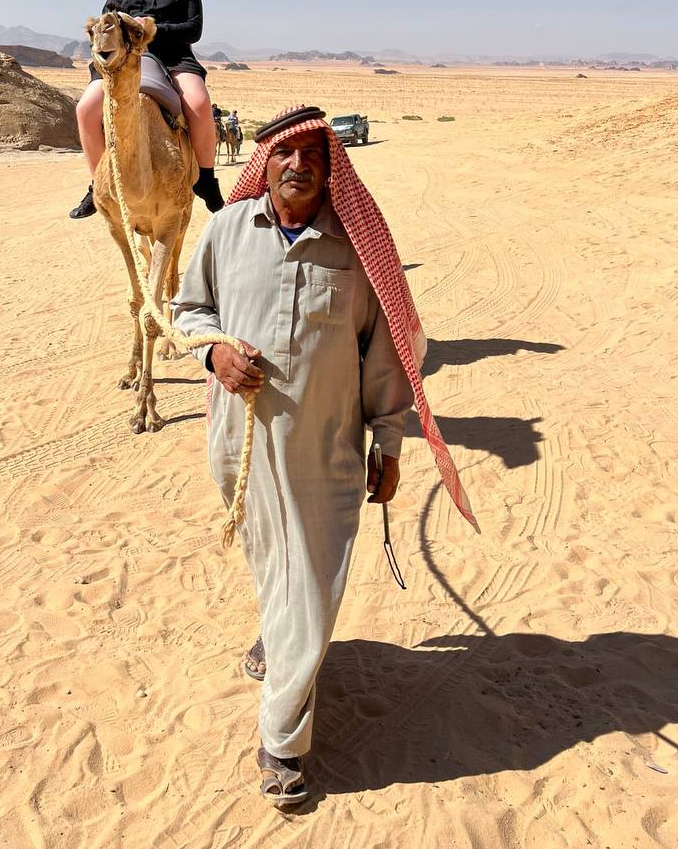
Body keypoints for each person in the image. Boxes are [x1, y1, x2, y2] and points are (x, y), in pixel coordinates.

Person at [172, 105, 477, 806]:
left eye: (314, 153)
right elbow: (189, 311)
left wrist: (390, 443)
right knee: (273, 560)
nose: (298, 165)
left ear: (331, 167)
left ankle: (282, 741)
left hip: (327, 450)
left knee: (312, 581)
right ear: (265, 160)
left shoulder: (356, 252)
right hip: (241, 448)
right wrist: (214, 352)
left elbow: (385, 362)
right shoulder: (225, 231)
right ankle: (278, 639)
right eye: (285, 152)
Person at [69, 0, 224, 218]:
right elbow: (105, 22)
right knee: (85, 110)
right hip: (124, 61)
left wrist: (153, 27)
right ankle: (97, 184)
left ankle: (205, 179)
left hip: (172, 58)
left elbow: (194, 29)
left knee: (199, 102)